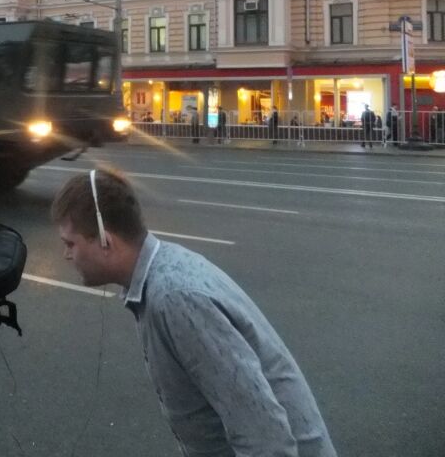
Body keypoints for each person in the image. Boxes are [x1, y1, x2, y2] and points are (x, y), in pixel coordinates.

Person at [52, 170, 337, 457]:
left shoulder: (175, 298)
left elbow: (264, 434)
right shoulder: (162, 273)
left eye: (70, 244)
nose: (66, 255)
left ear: (106, 241)